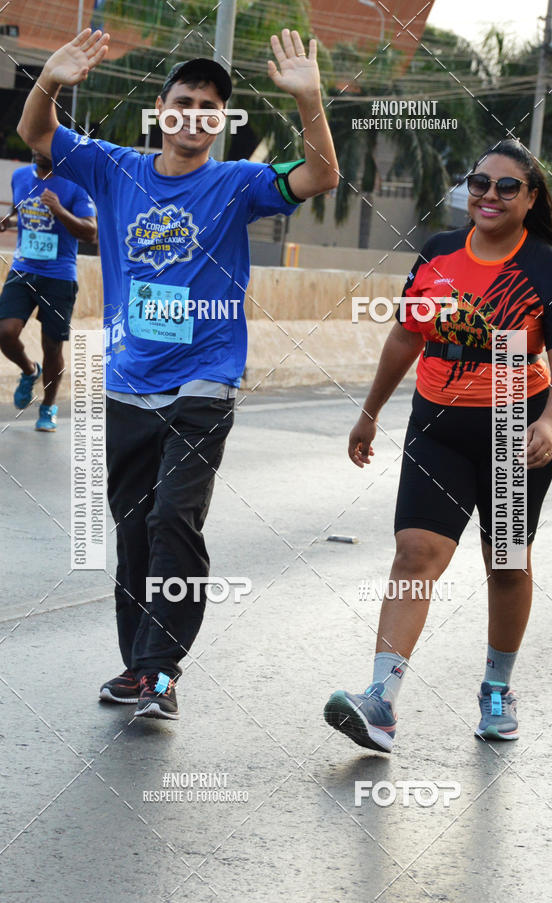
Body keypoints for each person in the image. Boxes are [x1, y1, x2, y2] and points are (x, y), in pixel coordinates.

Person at [18, 27, 338, 720]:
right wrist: (50, 79)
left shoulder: (238, 183)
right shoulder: (110, 166)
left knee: (172, 516)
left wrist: (310, 102)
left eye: (210, 106)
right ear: (162, 111)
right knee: (133, 528)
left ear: (220, 122)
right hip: (130, 380)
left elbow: (319, 178)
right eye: (185, 101)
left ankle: (161, 670)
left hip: (205, 380)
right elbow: (35, 133)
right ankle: (139, 665)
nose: (195, 114)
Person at [324, 138, 552, 752]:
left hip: (511, 429)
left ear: (530, 199)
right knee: (415, 553)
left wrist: (549, 422)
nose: (488, 195)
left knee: (506, 563)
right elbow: (405, 338)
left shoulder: (546, 265)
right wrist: (369, 414)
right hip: (436, 423)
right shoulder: (438, 253)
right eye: (478, 183)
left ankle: (497, 689)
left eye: (505, 187)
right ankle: (381, 703)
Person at [0, 151, 96, 430]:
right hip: (23, 268)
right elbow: (20, 206)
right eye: (34, 145)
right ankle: (30, 371)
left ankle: (48, 406)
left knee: (52, 345)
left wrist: (60, 210)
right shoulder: (20, 176)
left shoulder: (76, 185)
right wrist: (8, 218)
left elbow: (91, 232)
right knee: (5, 332)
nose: (36, 150)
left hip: (58, 276)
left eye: (44, 146)